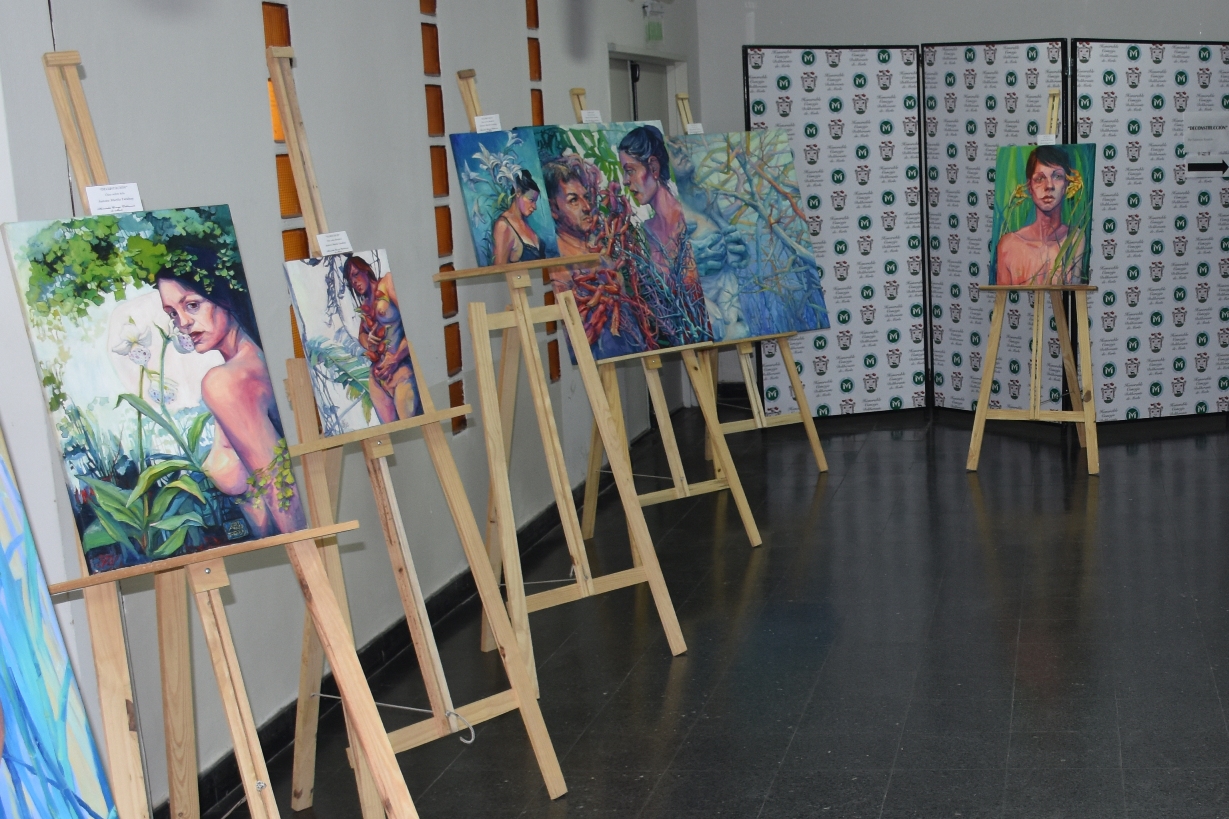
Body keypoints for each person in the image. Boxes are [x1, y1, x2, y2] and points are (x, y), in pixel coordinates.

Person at [156, 255, 305, 538]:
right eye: (172, 313)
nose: (182, 322)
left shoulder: (226, 382)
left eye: (192, 305)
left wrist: (303, 550)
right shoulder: (254, 362)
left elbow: (281, 495)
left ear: (222, 296)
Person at [542, 154, 649, 357]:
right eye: (573, 200)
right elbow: (576, 339)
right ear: (553, 209)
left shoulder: (599, 251)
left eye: (585, 197)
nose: (586, 207)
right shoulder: (558, 265)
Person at [617, 125, 711, 345]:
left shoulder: (693, 223)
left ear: (654, 167)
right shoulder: (643, 234)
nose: (625, 180)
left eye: (630, 170)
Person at [343, 255, 423, 423]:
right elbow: (361, 335)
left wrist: (396, 358)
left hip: (401, 371)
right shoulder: (365, 306)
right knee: (392, 434)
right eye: (351, 280)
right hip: (378, 380)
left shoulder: (387, 283)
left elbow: (413, 325)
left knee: (412, 428)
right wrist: (368, 340)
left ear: (366, 270)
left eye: (356, 274)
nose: (355, 282)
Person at [995, 145, 1087, 286]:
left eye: (1057, 176)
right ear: (1030, 187)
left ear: (1066, 185)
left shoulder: (1075, 239)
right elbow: (1002, 296)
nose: (1049, 186)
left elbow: (1074, 292)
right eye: (1039, 178)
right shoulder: (1008, 245)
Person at [492, 169, 548, 264]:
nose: (534, 207)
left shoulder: (525, 223)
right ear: (518, 192)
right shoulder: (503, 226)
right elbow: (499, 268)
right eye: (531, 200)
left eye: (535, 202)